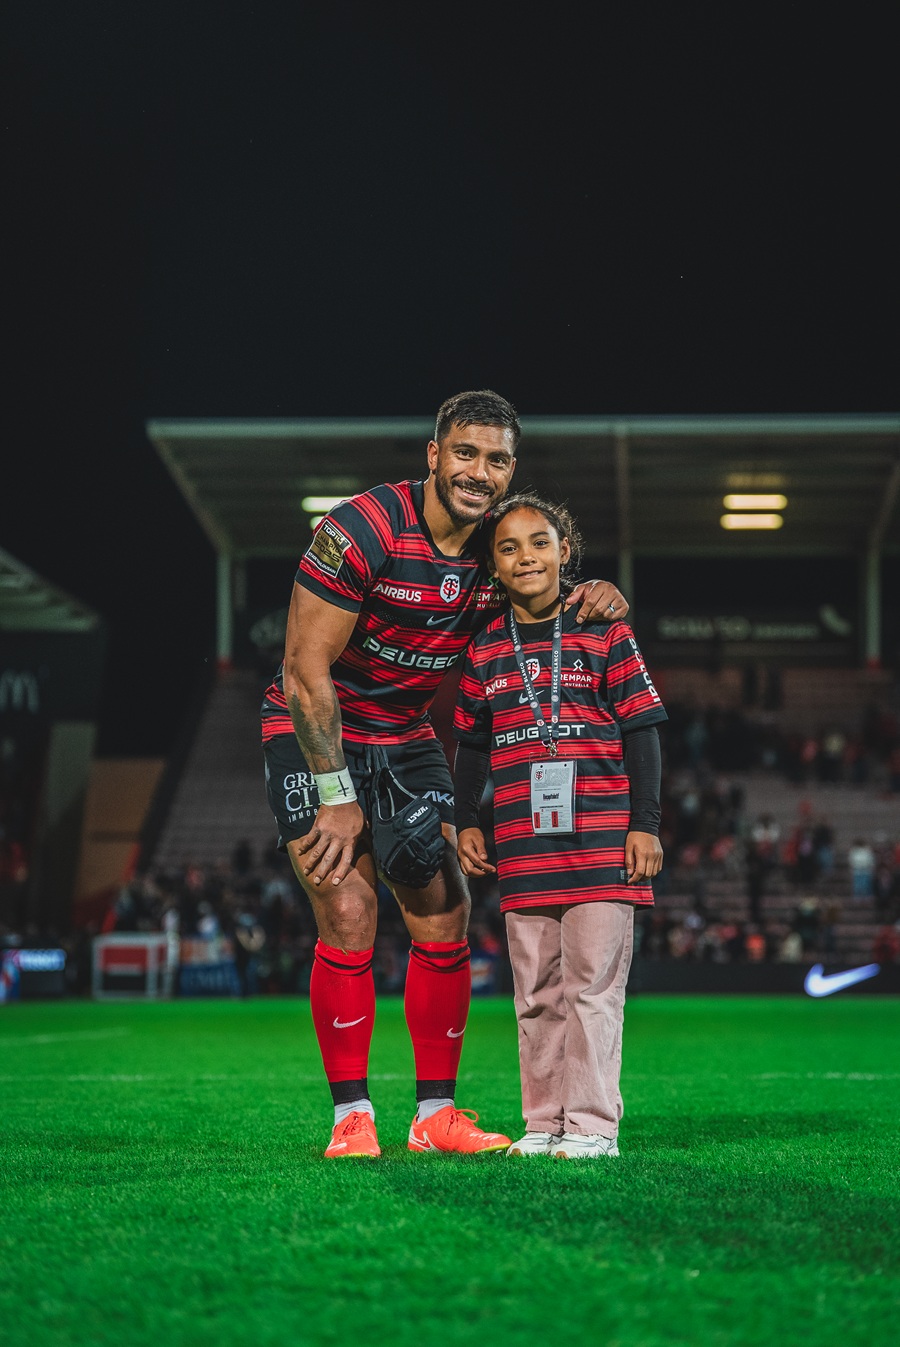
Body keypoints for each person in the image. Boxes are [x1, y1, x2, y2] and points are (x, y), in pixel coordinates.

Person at [260, 390, 630, 1159]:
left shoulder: (493, 549)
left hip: (406, 735)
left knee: (443, 913)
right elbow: (304, 670)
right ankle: (350, 1116)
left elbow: (542, 585)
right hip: (315, 729)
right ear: (434, 454)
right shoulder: (361, 528)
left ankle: (434, 1116)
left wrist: (593, 592)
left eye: (496, 459)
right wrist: (337, 794)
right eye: (465, 452)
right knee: (351, 910)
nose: (479, 471)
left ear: (510, 470)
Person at [453, 491, 666, 1160]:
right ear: (493, 564)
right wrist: (464, 818)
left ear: (564, 550)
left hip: (603, 846)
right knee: (536, 995)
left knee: (593, 993)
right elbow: (471, 744)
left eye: (539, 542)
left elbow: (643, 729)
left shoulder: (605, 629)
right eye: (509, 548)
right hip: (522, 849)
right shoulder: (486, 646)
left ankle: (594, 1127)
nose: (526, 558)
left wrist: (647, 824)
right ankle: (544, 1122)